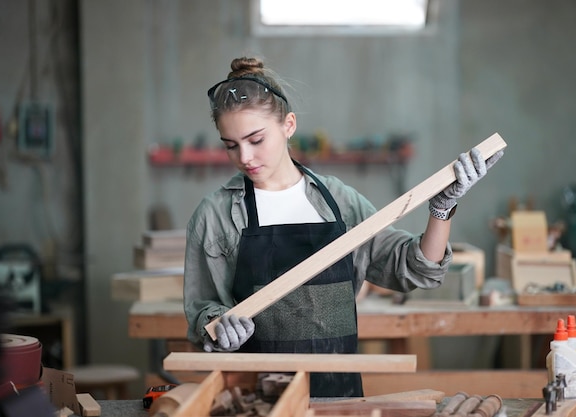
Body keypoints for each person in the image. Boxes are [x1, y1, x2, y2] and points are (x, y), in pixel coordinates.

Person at [184, 56, 503, 397]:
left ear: (288, 125)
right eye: (231, 145)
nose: (244, 156)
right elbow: (203, 311)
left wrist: (442, 208)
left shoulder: (339, 201)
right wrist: (219, 326)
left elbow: (415, 270)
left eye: (256, 140)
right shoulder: (215, 215)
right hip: (257, 401)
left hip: (339, 397)